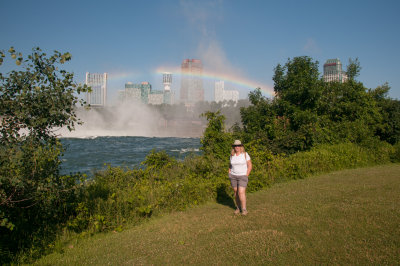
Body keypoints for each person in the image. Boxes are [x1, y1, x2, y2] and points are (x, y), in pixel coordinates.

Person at [229, 140, 252, 215]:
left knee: (241, 192)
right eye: (235, 146)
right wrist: (229, 173)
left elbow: (250, 165)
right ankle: (238, 208)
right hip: (233, 176)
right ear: (234, 147)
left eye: (238, 145)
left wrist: (246, 175)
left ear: (241, 146)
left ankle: (244, 209)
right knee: (236, 192)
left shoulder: (245, 154)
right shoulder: (232, 155)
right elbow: (230, 165)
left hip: (242, 176)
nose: (237, 147)